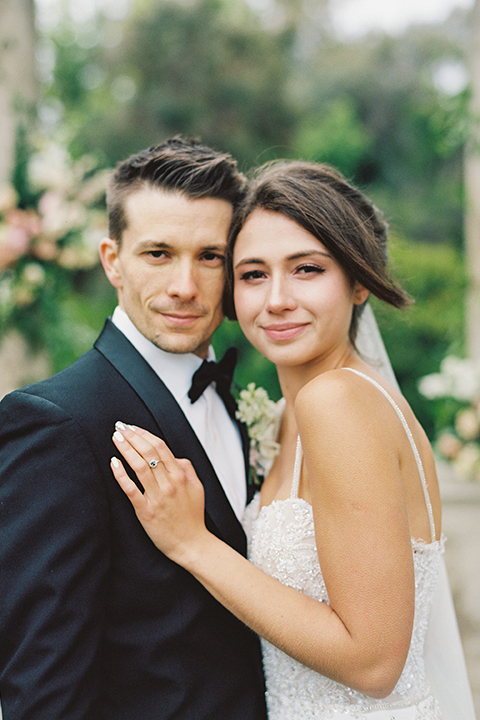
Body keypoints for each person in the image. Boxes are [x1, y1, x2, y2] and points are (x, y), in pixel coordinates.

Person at [110, 160, 476, 719]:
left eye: (306, 269)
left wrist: (193, 544)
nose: (276, 299)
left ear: (358, 282)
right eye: (254, 274)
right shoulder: (286, 417)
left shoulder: (339, 404)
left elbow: (374, 665)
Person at [0, 137, 268, 720]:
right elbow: (43, 690)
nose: (185, 286)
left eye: (210, 256)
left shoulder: (248, 405)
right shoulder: (55, 422)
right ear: (112, 260)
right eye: (157, 254)